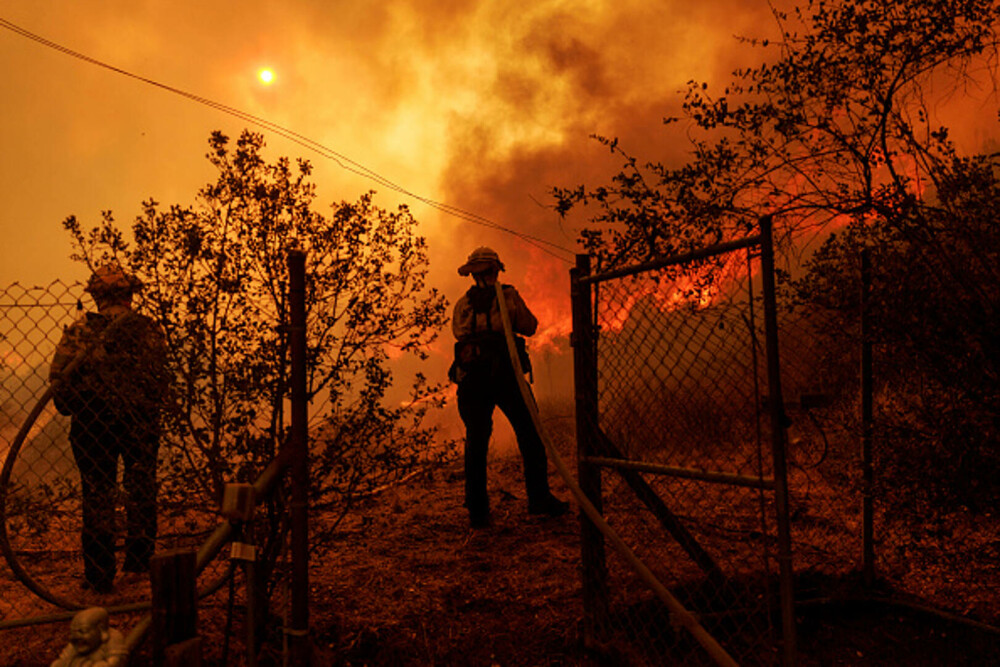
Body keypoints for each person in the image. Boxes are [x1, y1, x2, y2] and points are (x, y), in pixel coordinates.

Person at [50, 264, 167, 593]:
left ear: (96, 296)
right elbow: (161, 379)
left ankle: (99, 575)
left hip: (92, 425)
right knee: (141, 487)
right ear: (130, 294)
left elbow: (59, 381)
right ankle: (139, 564)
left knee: (97, 493)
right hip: (139, 422)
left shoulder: (79, 331)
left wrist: (74, 407)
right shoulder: (150, 330)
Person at [450, 247, 568, 528]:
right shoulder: (508, 296)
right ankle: (539, 499)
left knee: (476, 442)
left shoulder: (461, 304)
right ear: (494, 270)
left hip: (471, 379)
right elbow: (529, 327)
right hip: (505, 373)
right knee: (530, 434)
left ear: (473, 275)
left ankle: (478, 511)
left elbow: (458, 333)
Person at [50, 606, 127, 667]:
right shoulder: (76, 642)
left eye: (83, 631)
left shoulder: (113, 638)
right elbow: (61, 661)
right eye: (73, 632)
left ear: (100, 629)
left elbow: (115, 663)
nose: (76, 637)